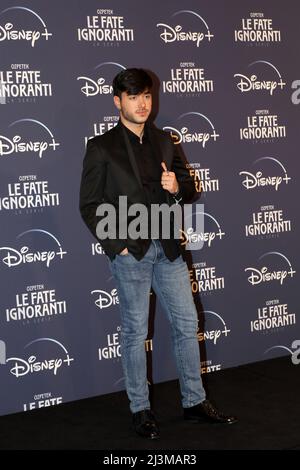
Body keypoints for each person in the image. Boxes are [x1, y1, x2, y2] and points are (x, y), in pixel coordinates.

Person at [79, 68, 237, 440]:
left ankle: (195, 402)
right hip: (130, 251)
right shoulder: (101, 147)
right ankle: (141, 410)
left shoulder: (167, 141)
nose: (142, 104)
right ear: (118, 101)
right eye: (133, 97)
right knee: (135, 333)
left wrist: (177, 185)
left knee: (187, 325)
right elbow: (89, 204)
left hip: (168, 248)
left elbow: (190, 190)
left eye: (146, 96)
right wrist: (116, 245)